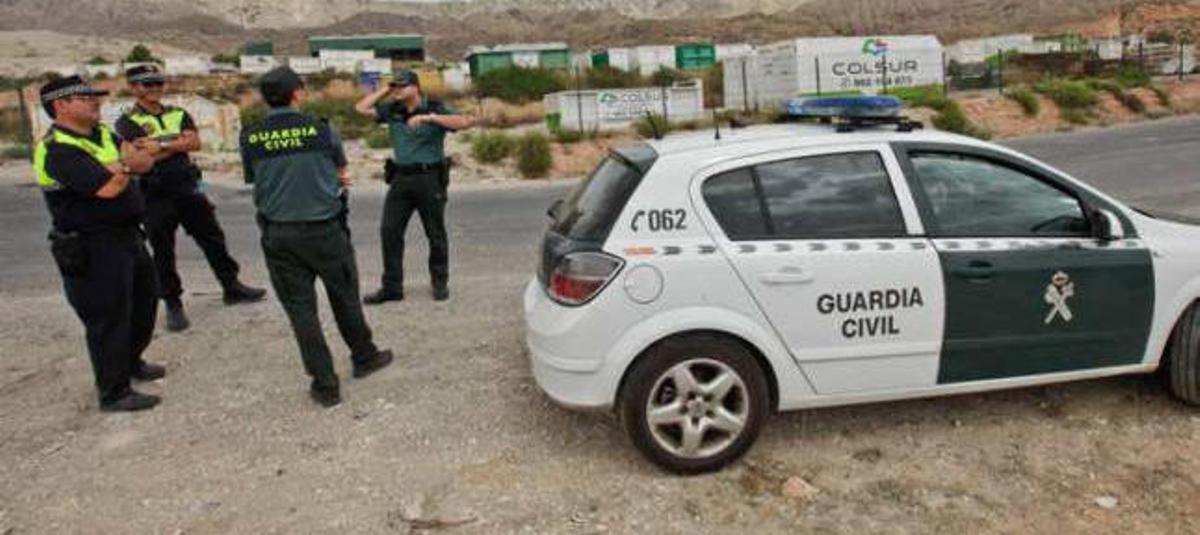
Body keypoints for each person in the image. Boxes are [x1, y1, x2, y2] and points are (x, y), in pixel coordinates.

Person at [240, 66, 394, 407]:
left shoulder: (250, 135)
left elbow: (256, 179)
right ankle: (363, 356)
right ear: (296, 93)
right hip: (324, 230)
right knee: (344, 298)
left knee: (301, 311)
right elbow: (341, 171)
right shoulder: (321, 129)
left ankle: (325, 384)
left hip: (279, 234)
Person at [33, 75, 165, 412]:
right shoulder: (56, 149)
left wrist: (120, 166)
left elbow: (146, 160)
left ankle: (132, 361)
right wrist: (124, 165)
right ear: (61, 106)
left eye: (96, 96)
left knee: (143, 303)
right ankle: (114, 391)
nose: (96, 102)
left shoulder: (104, 134)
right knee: (107, 317)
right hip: (91, 245)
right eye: (85, 97)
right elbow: (106, 188)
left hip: (128, 235)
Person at [115, 65, 265, 332]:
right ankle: (173, 303)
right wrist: (174, 145)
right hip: (154, 191)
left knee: (212, 238)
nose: (154, 89)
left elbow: (194, 143)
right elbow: (141, 158)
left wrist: (160, 145)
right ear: (134, 87)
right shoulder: (127, 122)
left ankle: (231, 286)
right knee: (162, 249)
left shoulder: (177, 113)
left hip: (186, 186)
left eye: (157, 83)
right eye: (147, 84)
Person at [354, 69, 474, 304]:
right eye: (395, 87)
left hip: (429, 178)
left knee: (435, 233)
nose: (397, 90)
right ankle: (392, 288)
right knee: (389, 231)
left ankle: (439, 282)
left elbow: (464, 122)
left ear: (415, 87)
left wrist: (430, 118)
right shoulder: (393, 109)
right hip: (400, 178)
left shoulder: (434, 106)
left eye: (402, 86)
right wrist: (387, 89)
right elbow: (361, 108)